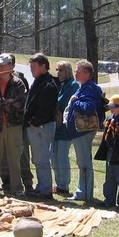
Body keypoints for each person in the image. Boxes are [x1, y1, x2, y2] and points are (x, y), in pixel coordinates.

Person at [0, 53, 27, 196]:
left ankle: (17, 188)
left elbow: (21, 104)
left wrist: (0, 103)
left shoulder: (19, 83)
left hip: (14, 126)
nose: (1, 67)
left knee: (14, 158)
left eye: (4, 64)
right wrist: (6, 101)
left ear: (12, 66)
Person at [65, 60, 105, 203]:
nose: (75, 73)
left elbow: (88, 107)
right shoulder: (84, 86)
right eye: (75, 71)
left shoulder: (89, 88)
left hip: (84, 131)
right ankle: (82, 192)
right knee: (82, 161)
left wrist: (75, 101)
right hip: (79, 131)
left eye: (78, 71)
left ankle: (85, 193)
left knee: (84, 162)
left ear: (87, 74)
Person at [23, 53, 59, 198]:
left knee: (42, 158)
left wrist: (34, 121)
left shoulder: (48, 84)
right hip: (37, 126)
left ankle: (45, 190)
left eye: (33, 67)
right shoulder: (39, 81)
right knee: (37, 158)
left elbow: (46, 108)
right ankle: (41, 186)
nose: (31, 70)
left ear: (43, 66)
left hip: (41, 127)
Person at [52, 61, 77, 197]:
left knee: (62, 156)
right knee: (53, 156)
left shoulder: (73, 85)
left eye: (61, 70)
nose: (58, 73)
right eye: (57, 70)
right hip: (55, 124)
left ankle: (64, 185)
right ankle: (58, 183)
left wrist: (57, 108)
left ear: (67, 71)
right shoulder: (60, 85)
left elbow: (62, 102)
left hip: (65, 126)